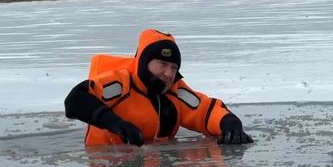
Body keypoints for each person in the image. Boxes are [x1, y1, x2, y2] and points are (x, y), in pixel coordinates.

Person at [64, 28, 254, 147]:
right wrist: (114, 123)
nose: (169, 74)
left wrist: (230, 124)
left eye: (173, 68)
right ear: (144, 62)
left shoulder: (175, 91)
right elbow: (75, 101)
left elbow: (205, 110)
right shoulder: (119, 85)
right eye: (162, 65)